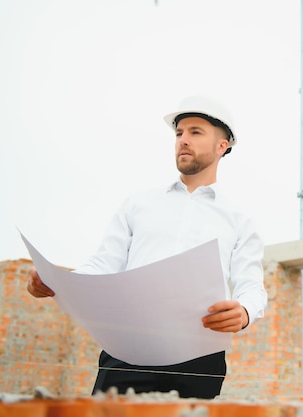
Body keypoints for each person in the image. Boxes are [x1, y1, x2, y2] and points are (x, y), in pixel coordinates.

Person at [27, 95, 268, 399]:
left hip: (198, 358)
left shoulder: (239, 219)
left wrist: (244, 311)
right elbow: (103, 264)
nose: (183, 140)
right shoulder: (138, 204)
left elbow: (251, 285)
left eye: (195, 132)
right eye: (179, 133)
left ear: (223, 146)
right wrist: (59, 281)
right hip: (128, 347)